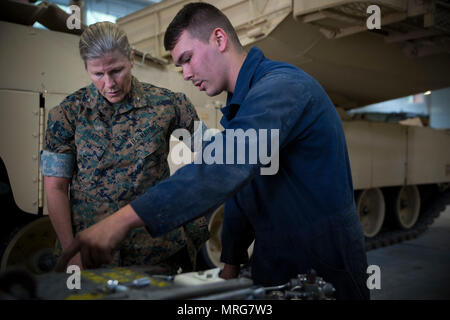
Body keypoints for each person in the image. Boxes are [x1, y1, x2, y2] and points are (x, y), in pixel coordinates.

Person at [57, 4, 370, 299]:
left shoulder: (282, 88)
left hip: (324, 264)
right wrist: (231, 261)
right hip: (273, 260)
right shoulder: (242, 105)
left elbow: (222, 168)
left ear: (219, 39)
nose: (186, 74)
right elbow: (242, 189)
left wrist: (121, 220)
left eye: (187, 58)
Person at [41, 21, 209, 272]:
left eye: (116, 70)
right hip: (91, 256)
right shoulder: (67, 115)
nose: (109, 83)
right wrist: (70, 251)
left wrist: (195, 227)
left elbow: (211, 157)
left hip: (157, 253)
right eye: (98, 74)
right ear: (86, 68)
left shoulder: (170, 105)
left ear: (131, 58)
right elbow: (56, 187)